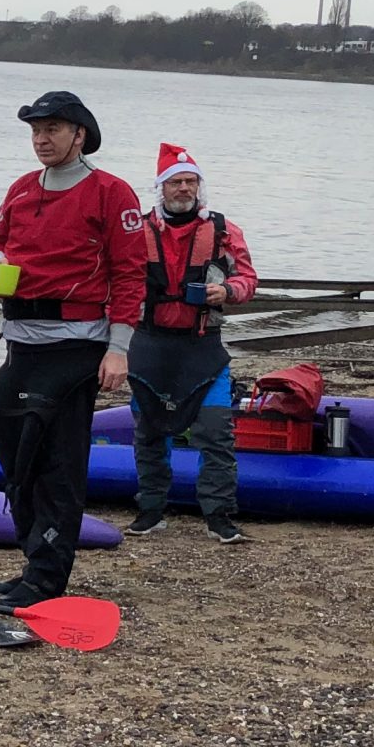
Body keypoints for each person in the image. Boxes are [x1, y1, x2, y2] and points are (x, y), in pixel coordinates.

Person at [0, 90, 146, 645]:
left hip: (77, 345)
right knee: (7, 439)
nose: (42, 138)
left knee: (55, 460)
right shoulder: (22, 188)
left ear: (80, 134)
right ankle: (33, 560)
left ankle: (48, 578)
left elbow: (129, 275)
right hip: (21, 342)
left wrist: (118, 348)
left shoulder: (110, 191)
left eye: (53, 128)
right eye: (35, 129)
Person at [128, 143, 258, 543]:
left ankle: (219, 517)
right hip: (149, 347)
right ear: (161, 189)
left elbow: (248, 279)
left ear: (199, 187)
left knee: (216, 434)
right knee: (149, 435)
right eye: (175, 182)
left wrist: (229, 292)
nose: (183, 189)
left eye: (190, 182)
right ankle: (150, 511)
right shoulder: (139, 230)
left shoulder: (223, 231)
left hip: (203, 348)